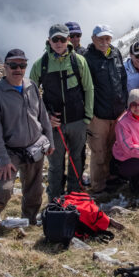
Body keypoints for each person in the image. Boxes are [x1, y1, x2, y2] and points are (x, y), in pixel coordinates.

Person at [0, 49, 55, 230]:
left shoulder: (31, 86)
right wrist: (3, 160)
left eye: (22, 65)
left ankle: (29, 222)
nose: (18, 69)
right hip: (11, 151)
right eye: (13, 65)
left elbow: (43, 116)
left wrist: (49, 139)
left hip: (35, 145)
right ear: (5, 67)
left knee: (35, 190)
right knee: (4, 189)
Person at [30, 24, 94, 201]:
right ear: (49, 41)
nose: (58, 43)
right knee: (55, 164)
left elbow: (89, 88)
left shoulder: (78, 61)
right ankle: (54, 199)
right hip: (54, 125)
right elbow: (31, 97)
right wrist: (45, 119)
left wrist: (87, 117)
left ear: (68, 40)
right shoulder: (40, 65)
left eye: (62, 39)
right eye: (55, 39)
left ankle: (74, 196)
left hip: (78, 121)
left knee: (77, 160)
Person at [83, 24, 128, 193]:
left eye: (107, 38)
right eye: (100, 38)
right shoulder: (87, 58)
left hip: (117, 112)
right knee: (98, 151)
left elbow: (122, 78)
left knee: (112, 147)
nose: (104, 42)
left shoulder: (115, 53)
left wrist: (124, 102)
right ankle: (98, 186)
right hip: (98, 114)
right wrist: (89, 111)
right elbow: (84, 86)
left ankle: (110, 178)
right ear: (93, 39)